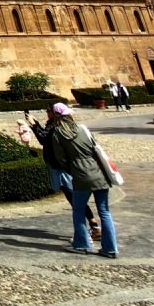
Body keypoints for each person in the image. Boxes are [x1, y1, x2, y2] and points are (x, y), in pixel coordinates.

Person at [47, 103, 119, 257]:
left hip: (80, 175)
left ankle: (82, 245)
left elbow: (61, 159)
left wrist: (73, 169)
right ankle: (110, 249)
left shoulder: (57, 134)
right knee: (105, 212)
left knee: (78, 210)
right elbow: (94, 147)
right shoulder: (83, 128)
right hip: (99, 172)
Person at [28, 108, 100, 242]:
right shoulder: (64, 126)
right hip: (71, 169)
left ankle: (85, 235)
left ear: (56, 114)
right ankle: (93, 226)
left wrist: (34, 125)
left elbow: (45, 139)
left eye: (49, 111)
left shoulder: (57, 127)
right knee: (76, 199)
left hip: (62, 169)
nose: (47, 113)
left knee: (74, 199)